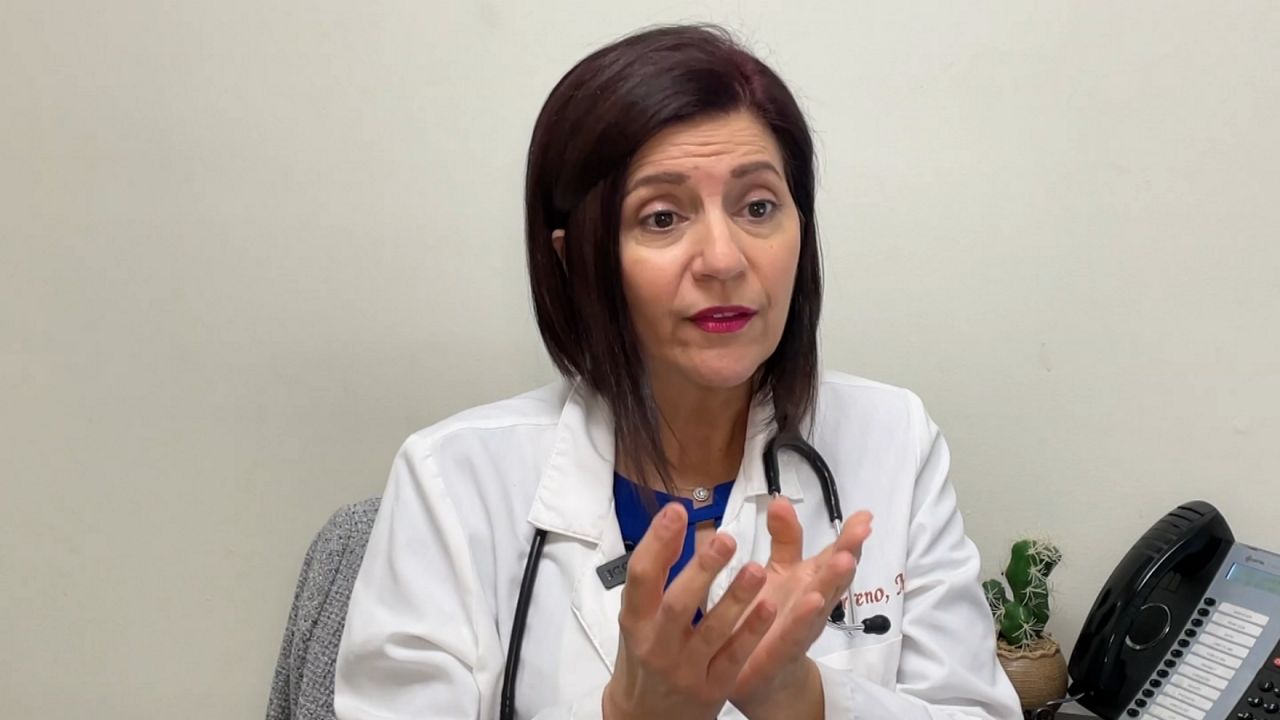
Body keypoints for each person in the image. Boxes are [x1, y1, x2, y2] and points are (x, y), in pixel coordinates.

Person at [334, 24, 1022, 720]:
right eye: (662, 218)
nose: (723, 259)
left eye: (758, 207)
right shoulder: (452, 481)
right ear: (577, 262)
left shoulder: (893, 438)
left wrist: (803, 698)